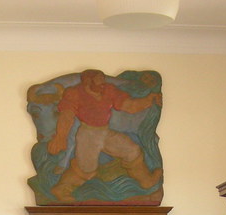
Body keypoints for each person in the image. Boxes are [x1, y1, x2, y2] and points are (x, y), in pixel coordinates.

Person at [47, 69, 162, 202]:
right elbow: (66, 115)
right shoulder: (75, 93)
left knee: (132, 150)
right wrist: (60, 137)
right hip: (88, 134)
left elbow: (130, 106)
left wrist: (149, 99)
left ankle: (146, 180)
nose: (103, 83)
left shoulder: (108, 89)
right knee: (86, 168)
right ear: (88, 82)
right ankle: (61, 189)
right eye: (99, 81)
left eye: (103, 79)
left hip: (105, 132)